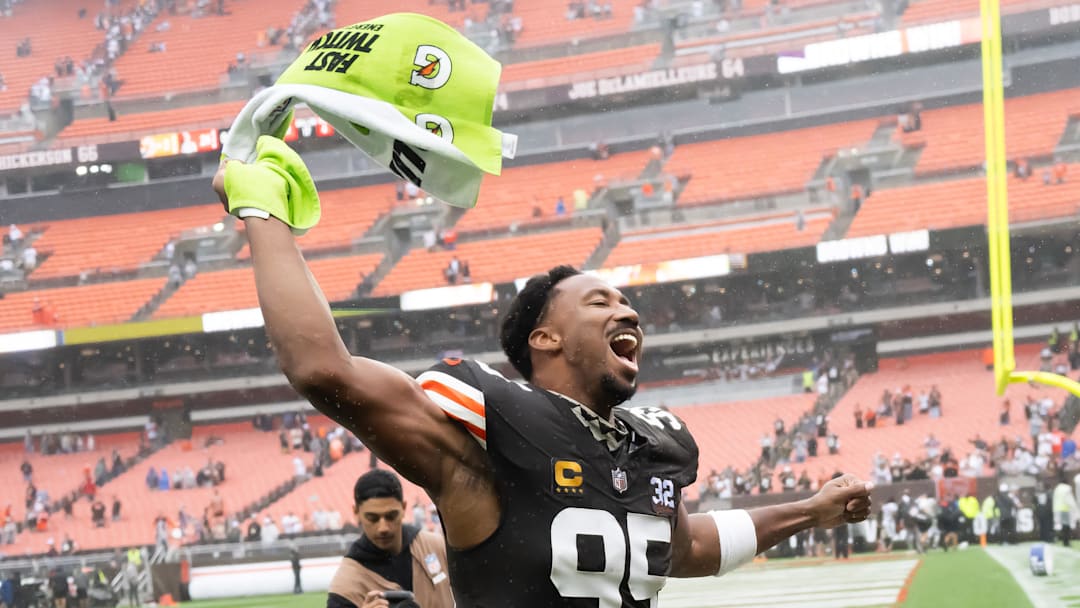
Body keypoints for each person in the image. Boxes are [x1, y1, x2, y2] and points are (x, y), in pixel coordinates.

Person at [213, 144, 872, 607]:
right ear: (544, 338)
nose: (628, 310)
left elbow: (688, 547)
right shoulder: (485, 443)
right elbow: (321, 368)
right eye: (600, 301)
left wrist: (807, 512)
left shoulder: (652, 450)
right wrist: (262, 216)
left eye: (625, 300)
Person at [327, 470, 454, 608]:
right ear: (356, 513)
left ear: (404, 508)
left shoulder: (436, 547)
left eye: (391, 516)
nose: (383, 528)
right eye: (372, 518)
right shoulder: (346, 585)